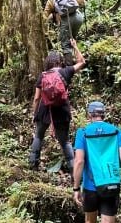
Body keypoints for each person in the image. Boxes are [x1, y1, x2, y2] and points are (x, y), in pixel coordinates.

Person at [29, 40, 85, 171]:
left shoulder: (42, 76)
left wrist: (34, 114)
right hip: (62, 110)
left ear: (48, 62)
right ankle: (74, 172)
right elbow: (82, 62)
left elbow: (37, 98)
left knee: (38, 136)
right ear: (60, 62)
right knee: (65, 142)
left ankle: (33, 165)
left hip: (45, 110)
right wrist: (75, 47)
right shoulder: (66, 72)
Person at [44, 0, 86, 65]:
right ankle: (77, 58)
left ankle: (69, 66)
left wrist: (45, 29)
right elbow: (82, 1)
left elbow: (44, 16)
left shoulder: (51, 0)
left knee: (65, 44)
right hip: (78, 17)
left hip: (66, 21)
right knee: (72, 39)